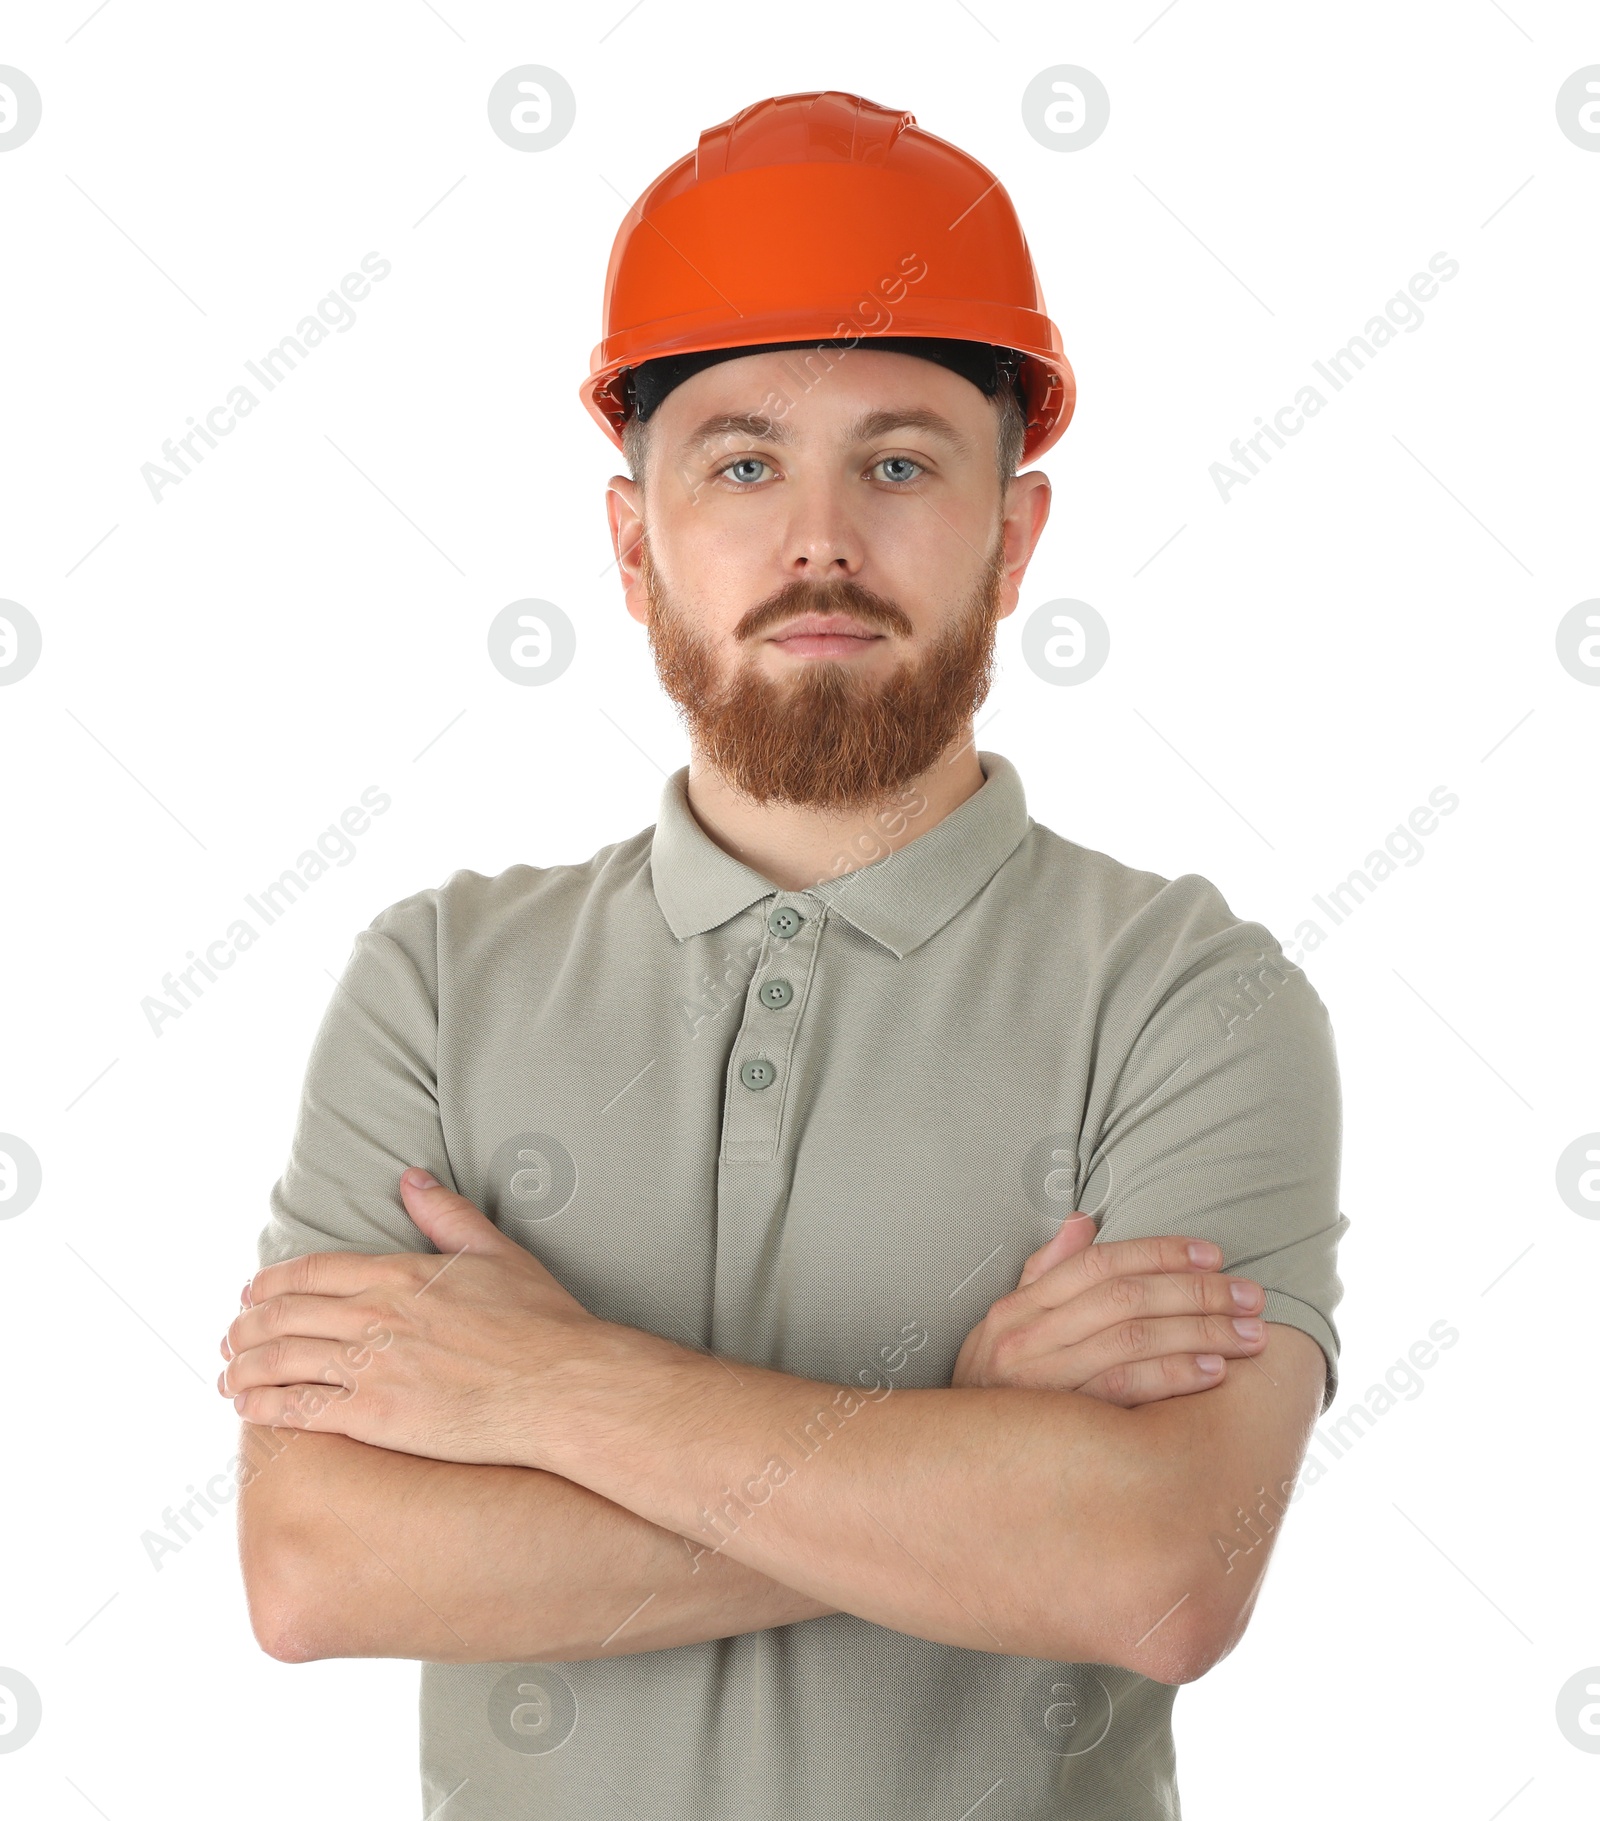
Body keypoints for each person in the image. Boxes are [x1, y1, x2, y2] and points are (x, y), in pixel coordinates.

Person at [224, 90, 1346, 1819]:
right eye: (743, 461)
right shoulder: (437, 982)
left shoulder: (1193, 995)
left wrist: (544, 1384)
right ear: (630, 539)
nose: (820, 538)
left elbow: (1158, 1572)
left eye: (898, 462)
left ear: (1016, 532)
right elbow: (316, 1568)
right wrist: (961, 1449)